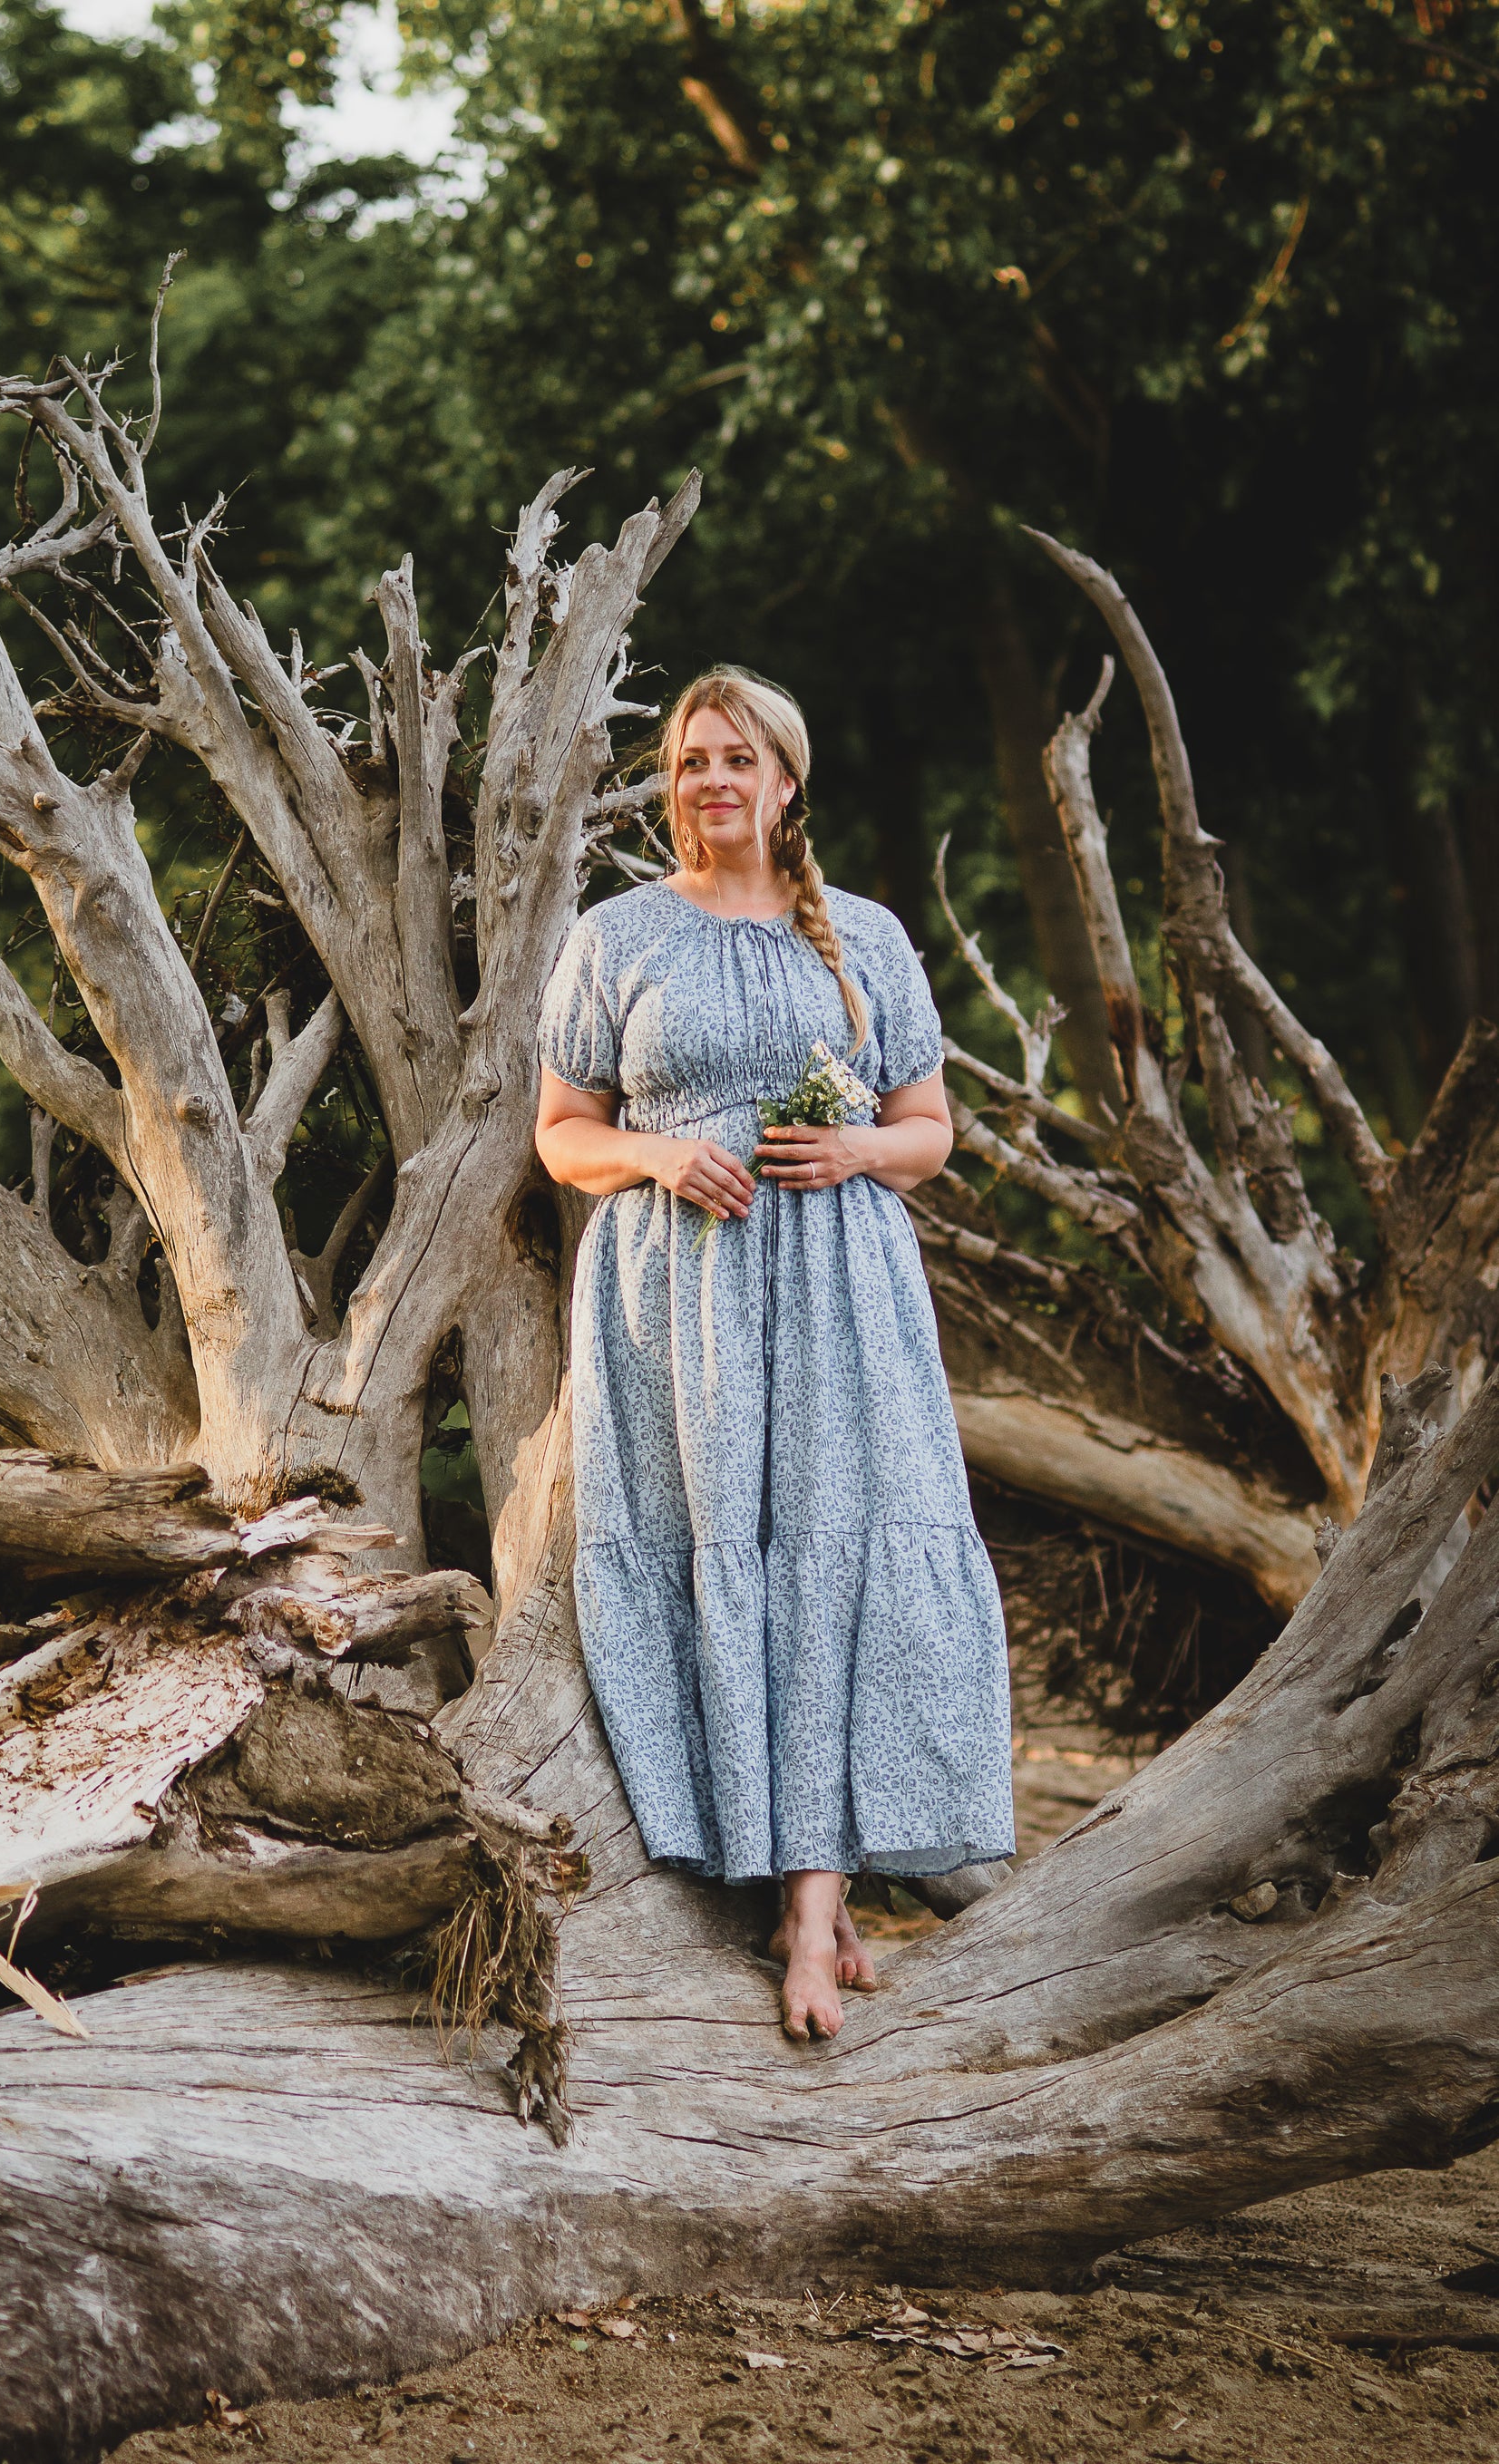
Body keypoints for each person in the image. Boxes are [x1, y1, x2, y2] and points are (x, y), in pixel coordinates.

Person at [533, 666, 1013, 2042]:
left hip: (843, 1296)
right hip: (675, 1301)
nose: (710, 782)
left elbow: (929, 1130)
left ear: (785, 781)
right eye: (689, 762)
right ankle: (782, 1878)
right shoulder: (616, 935)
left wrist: (857, 1145)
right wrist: (653, 1150)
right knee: (718, 1559)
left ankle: (815, 1905)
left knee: (836, 1554)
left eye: (736, 758)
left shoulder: (860, 935)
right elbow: (560, 1132)